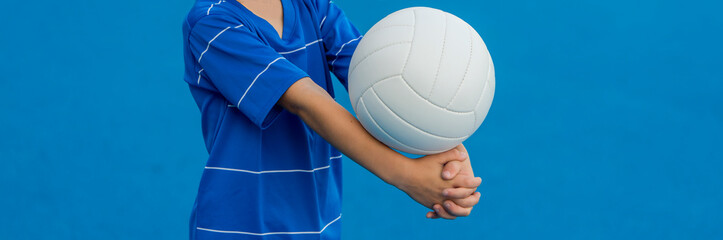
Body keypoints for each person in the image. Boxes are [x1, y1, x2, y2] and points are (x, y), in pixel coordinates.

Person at [182, 0, 482, 239]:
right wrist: (408, 176)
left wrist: (448, 149)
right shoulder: (212, 23)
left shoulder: (313, 6)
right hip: (241, 225)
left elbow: (384, 80)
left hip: (318, 221)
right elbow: (306, 102)